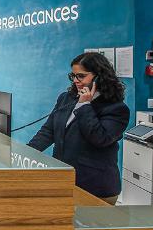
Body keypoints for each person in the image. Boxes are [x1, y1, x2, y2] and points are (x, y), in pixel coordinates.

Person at [27, 51, 129, 204]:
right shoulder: (66, 98)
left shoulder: (116, 109)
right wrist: (26, 152)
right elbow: (48, 131)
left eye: (81, 76)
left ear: (99, 77)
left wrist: (84, 105)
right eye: (73, 76)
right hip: (64, 180)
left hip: (95, 187)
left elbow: (99, 138)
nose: (75, 80)